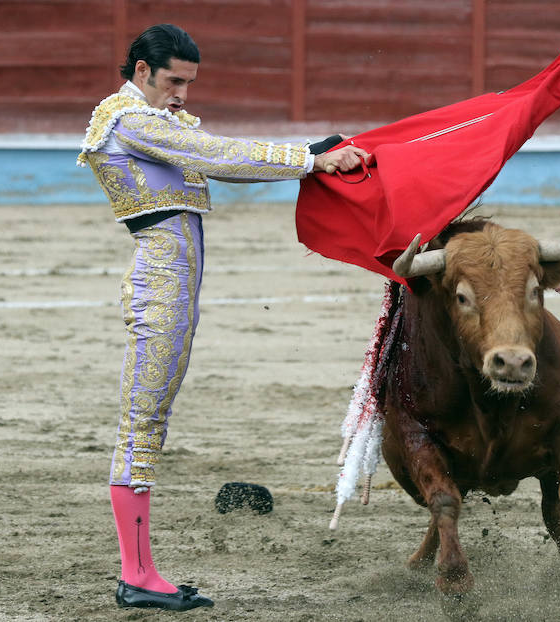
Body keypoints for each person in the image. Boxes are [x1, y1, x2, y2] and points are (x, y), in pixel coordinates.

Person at [78, 23, 369, 611]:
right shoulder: (128, 119)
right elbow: (214, 153)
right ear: (141, 72)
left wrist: (311, 154)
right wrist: (308, 160)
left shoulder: (160, 122)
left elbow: (226, 163)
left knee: (149, 419)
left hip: (176, 291)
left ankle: (139, 572)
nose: (182, 93)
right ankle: (136, 576)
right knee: (142, 423)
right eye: (173, 81)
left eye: (189, 82)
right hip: (160, 290)